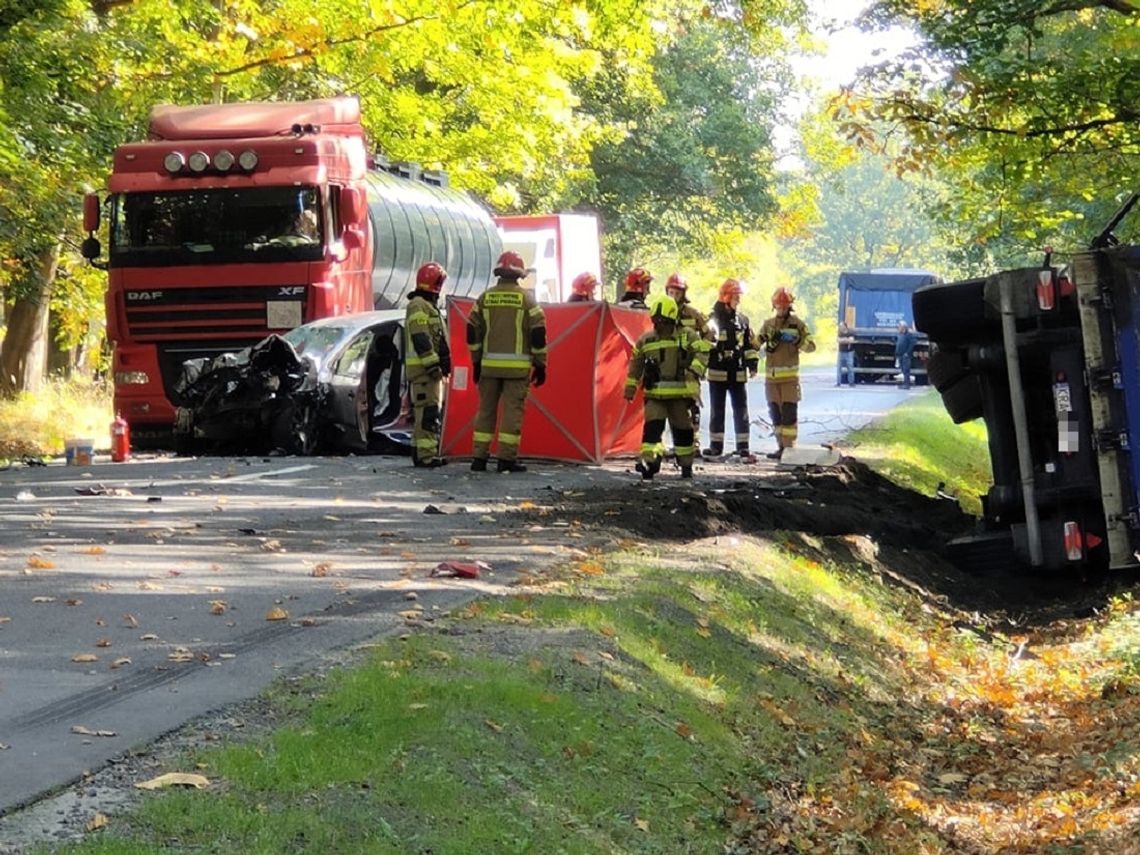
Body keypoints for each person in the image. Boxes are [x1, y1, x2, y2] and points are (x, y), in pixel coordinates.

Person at [466, 250, 547, 473]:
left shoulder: (484, 298)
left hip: (488, 367)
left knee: (485, 411)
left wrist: (476, 361)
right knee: (512, 413)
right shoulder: (528, 300)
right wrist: (541, 364)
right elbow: (538, 334)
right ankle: (506, 460)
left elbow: (472, 330)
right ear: (519, 274)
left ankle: (479, 459)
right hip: (517, 371)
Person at [623, 294, 708, 480]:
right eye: (656, 321)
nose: (659, 325)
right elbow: (635, 363)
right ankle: (649, 466)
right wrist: (630, 386)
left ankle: (686, 467)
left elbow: (703, 352)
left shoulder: (687, 336)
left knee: (683, 431)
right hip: (654, 396)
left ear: (672, 320)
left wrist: (694, 371)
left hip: (679, 396)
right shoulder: (646, 340)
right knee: (652, 430)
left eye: (663, 321)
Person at [703, 279, 760, 461]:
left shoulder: (743, 321)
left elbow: (749, 346)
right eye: (736, 297)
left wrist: (752, 365)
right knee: (717, 411)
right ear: (726, 297)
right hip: (717, 373)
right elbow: (705, 346)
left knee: (741, 410)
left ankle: (743, 447)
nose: (739, 301)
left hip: (738, 372)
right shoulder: (712, 320)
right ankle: (715, 447)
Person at [757, 286, 816, 460]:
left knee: (789, 415)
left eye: (784, 307)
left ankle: (790, 448)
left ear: (789, 306)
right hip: (771, 380)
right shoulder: (768, 325)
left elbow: (811, 347)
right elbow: (755, 344)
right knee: (775, 414)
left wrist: (797, 340)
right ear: (774, 306)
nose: (781, 310)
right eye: (778, 306)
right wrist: (765, 343)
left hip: (790, 380)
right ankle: (780, 447)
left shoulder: (797, 324)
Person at [404, 262, 451, 468]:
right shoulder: (419, 305)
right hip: (424, 372)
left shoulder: (426, 306)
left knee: (426, 412)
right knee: (428, 413)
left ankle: (419, 451)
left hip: (425, 371)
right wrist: (433, 365)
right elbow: (420, 337)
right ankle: (426, 455)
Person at [664, 271, 713, 439]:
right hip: (669, 368)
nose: (674, 296)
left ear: (683, 294)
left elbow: (709, 334)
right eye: (671, 292)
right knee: (671, 406)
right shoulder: (661, 312)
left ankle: (694, 443)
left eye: (677, 293)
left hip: (690, 370)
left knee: (691, 404)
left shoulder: (693, 314)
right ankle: (678, 443)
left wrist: (698, 355)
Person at [895, 320, 917, 389]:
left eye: (899, 326)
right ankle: (904, 384)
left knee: (906, 370)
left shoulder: (909, 335)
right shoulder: (900, 335)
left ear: (903, 327)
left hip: (905, 356)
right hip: (900, 355)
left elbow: (912, 343)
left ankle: (907, 385)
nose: (898, 328)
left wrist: (907, 353)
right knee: (903, 370)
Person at [836, 321, 856, 386]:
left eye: (841, 326)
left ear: (845, 326)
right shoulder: (839, 333)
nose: (840, 327)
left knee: (850, 368)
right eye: (840, 326)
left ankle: (851, 383)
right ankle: (838, 383)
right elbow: (838, 340)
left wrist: (843, 340)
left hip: (849, 353)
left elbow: (851, 340)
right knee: (839, 368)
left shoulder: (850, 332)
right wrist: (846, 340)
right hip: (841, 352)